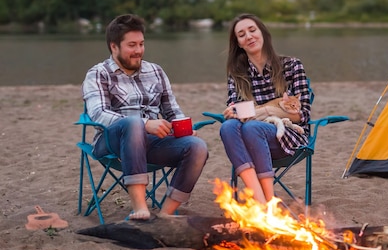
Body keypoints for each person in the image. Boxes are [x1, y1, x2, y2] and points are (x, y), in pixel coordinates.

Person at [82, 14, 209, 220]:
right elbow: (99, 114)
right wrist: (145, 124)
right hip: (112, 142)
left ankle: (165, 216)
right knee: (133, 124)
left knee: (197, 146)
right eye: (131, 45)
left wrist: (182, 127)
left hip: (152, 144)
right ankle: (140, 208)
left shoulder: (156, 71)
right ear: (114, 47)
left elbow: (171, 110)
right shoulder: (98, 74)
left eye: (141, 44)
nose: (138, 50)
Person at [220, 13, 311, 204]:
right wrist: (233, 112)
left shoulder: (292, 65)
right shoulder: (237, 74)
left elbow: (301, 117)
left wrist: (265, 111)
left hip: (287, 137)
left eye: (252, 30)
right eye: (242, 34)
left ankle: (268, 200)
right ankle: (262, 201)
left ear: (263, 33)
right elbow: (238, 112)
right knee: (227, 127)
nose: (249, 36)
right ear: (239, 43)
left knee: (253, 127)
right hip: (249, 138)